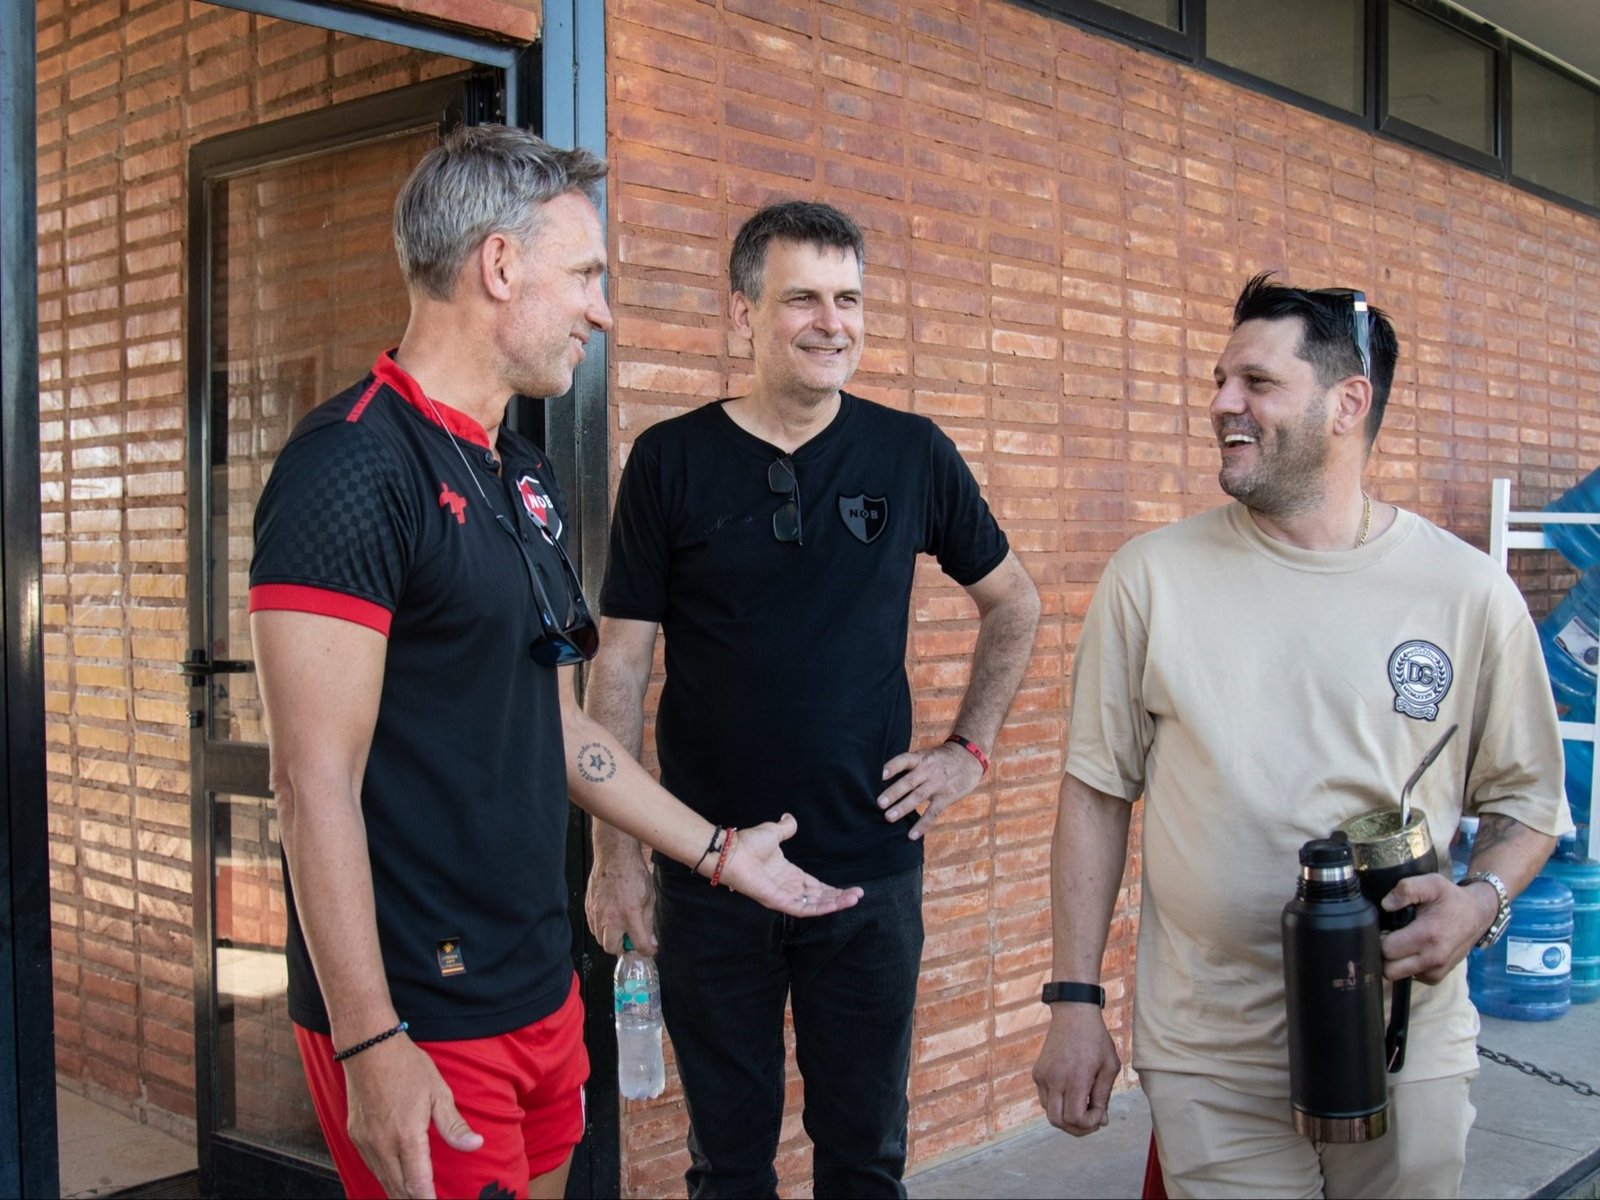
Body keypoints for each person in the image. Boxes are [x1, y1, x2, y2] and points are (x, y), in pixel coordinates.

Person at [248, 127, 861, 1200]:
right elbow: (311, 782)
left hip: (537, 980)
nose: (601, 309)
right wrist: (369, 1041)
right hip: (418, 1009)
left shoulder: (521, 473)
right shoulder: (348, 465)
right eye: (584, 275)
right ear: (499, 265)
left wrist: (719, 853)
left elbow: (558, 725)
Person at [1031, 273, 1573, 1199]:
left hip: (1405, 1040)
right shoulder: (1150, 577)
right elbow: (1095, 795)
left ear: (1347, 403)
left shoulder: (1467, 591)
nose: (1222, 404)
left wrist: (1480, 901)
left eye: (1257, 382)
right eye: (1219, 380)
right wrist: (1074, 1001)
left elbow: (1528, 804)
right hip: (1210, 1049)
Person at [582, 200, 1040, 1197]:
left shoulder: (911, 453)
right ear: (742, 311)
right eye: (802, 299)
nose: (833, 323)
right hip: (709, 869)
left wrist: (968, 751)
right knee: (727, 1164)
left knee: (865, 1158)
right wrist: (616, 856)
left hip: (868, 873)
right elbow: (618, 664)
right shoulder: (670, 460)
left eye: (849, 299)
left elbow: (1013, 602)